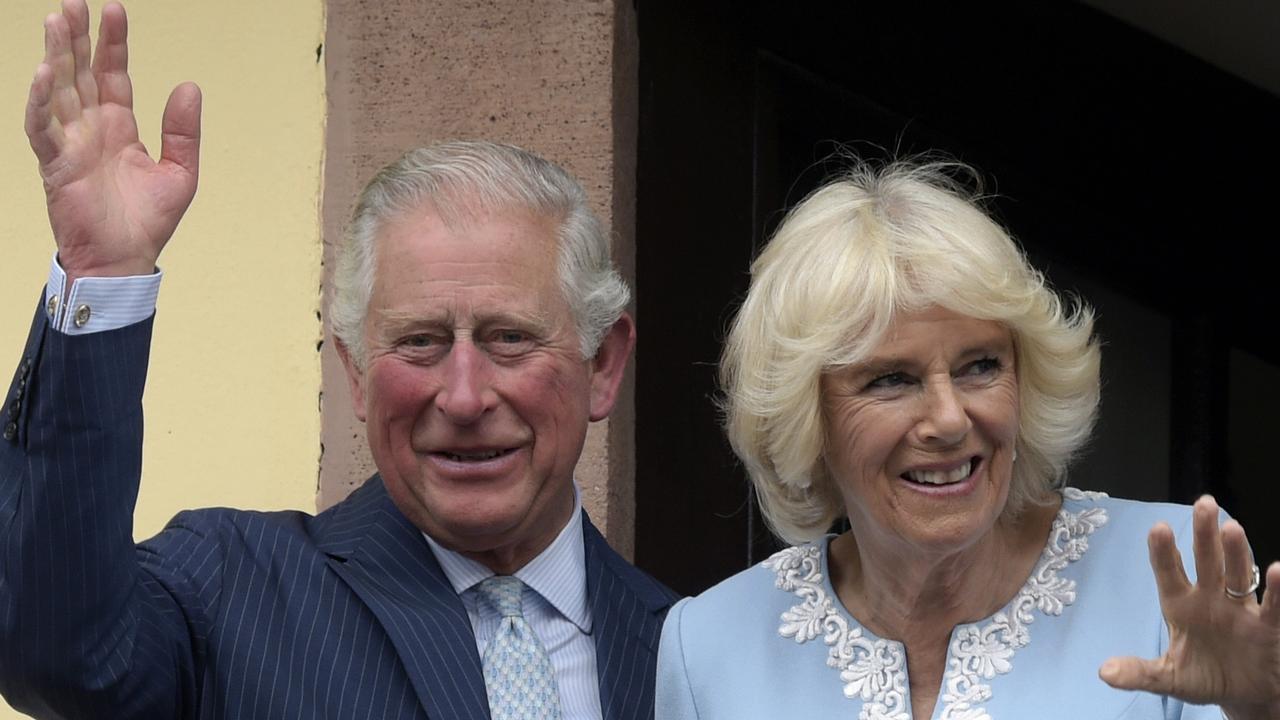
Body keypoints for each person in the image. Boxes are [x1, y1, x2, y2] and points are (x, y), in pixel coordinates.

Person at [0, 2, 676, 719]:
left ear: (603, 364)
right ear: (355, 373)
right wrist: (103, 276)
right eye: (420, 341)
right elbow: (58, 654)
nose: (465, 396)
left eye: (510, 338)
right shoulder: (232, 588)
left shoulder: (689, 649)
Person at [655, 160, 1280, 719]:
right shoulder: (707, 646)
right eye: (891, 379)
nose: (949, 420)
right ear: (806, 417)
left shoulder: (1170, 577)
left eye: (980, 365)